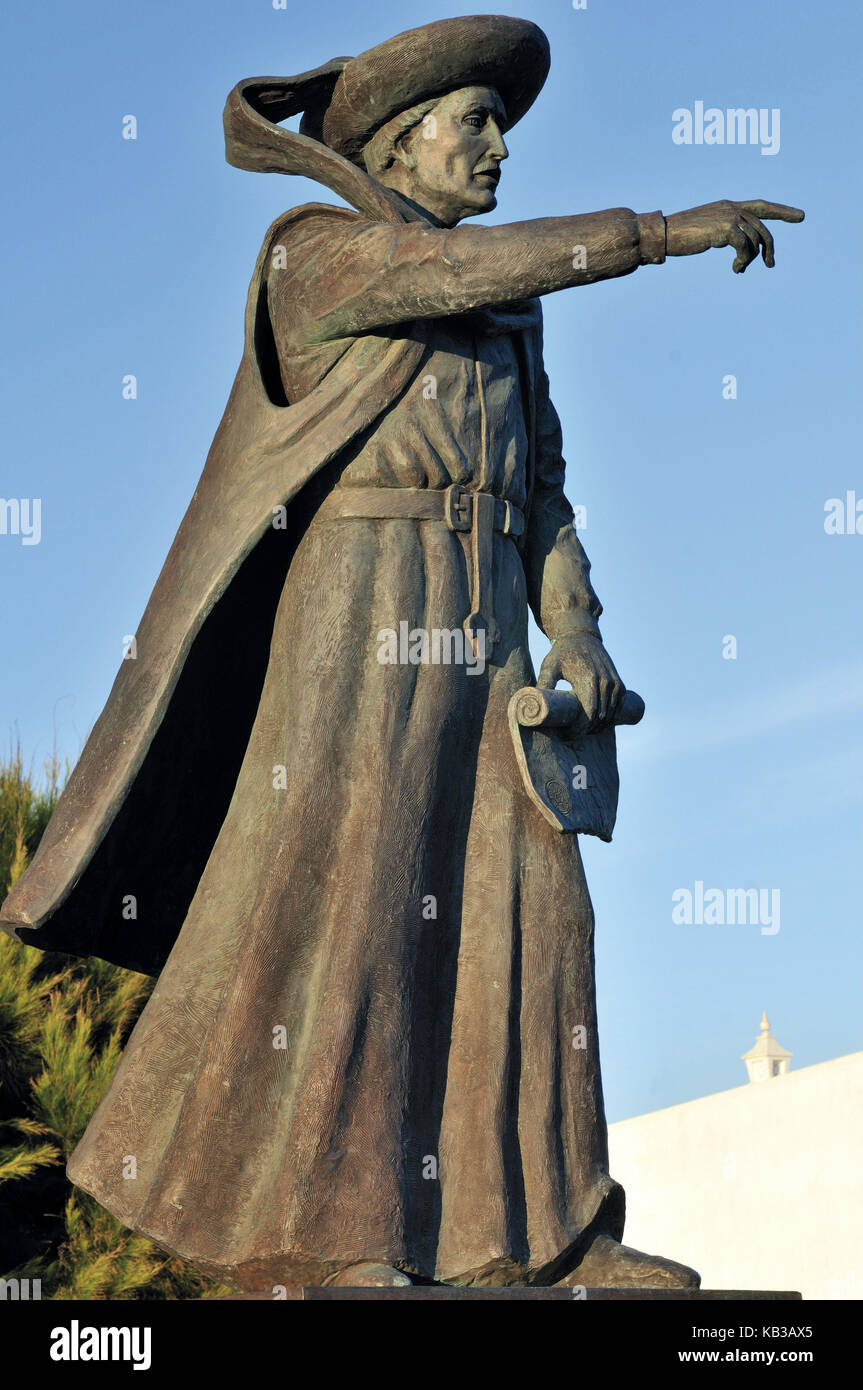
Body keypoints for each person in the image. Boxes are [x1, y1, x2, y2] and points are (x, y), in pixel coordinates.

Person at [0, 16, 803, 1290]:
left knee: (534, 908)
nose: (497, 149)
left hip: (485, 629)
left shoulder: (504, 305)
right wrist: (656, 233)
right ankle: (351, 1234)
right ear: (394, 142)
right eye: (474, 124)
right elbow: (447, 274)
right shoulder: (319, 258)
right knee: (369, 910)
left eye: (499, 126)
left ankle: (547, 1235)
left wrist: (577, 625)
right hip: (363, 612)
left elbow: (541, 489)